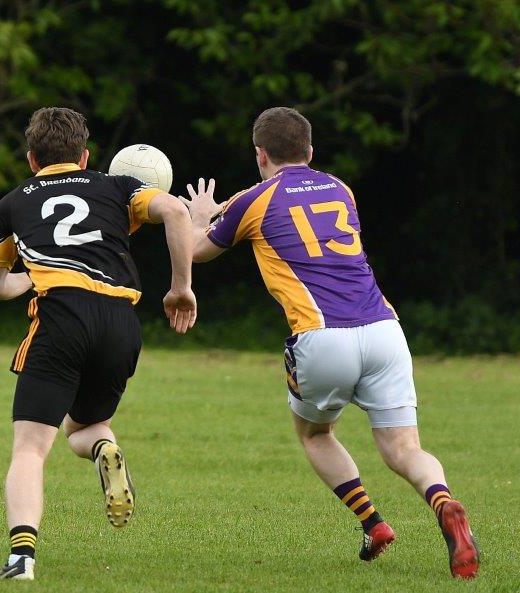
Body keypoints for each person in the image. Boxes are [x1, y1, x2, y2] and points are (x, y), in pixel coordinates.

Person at [181, 106, 479, 579]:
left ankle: (373, 523)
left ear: (260, 154)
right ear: (311, 151)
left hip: (321, 336)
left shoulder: (253, 200)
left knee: (316, 433)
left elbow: (196, 250)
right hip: (385, 330)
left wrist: (197, 217)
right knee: (404, 449)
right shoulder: (341, 189)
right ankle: (443, 501)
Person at [0, 107, 198, 580]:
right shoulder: (115, 188)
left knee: (31, 448)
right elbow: (177, 212)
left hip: (60, 318)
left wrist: (33, 277)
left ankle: (21, 559)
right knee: (86, 427)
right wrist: (181, 288)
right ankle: (104, 450)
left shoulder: (14, 202)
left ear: (32, 159)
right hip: (120, 322)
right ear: (85, 156)